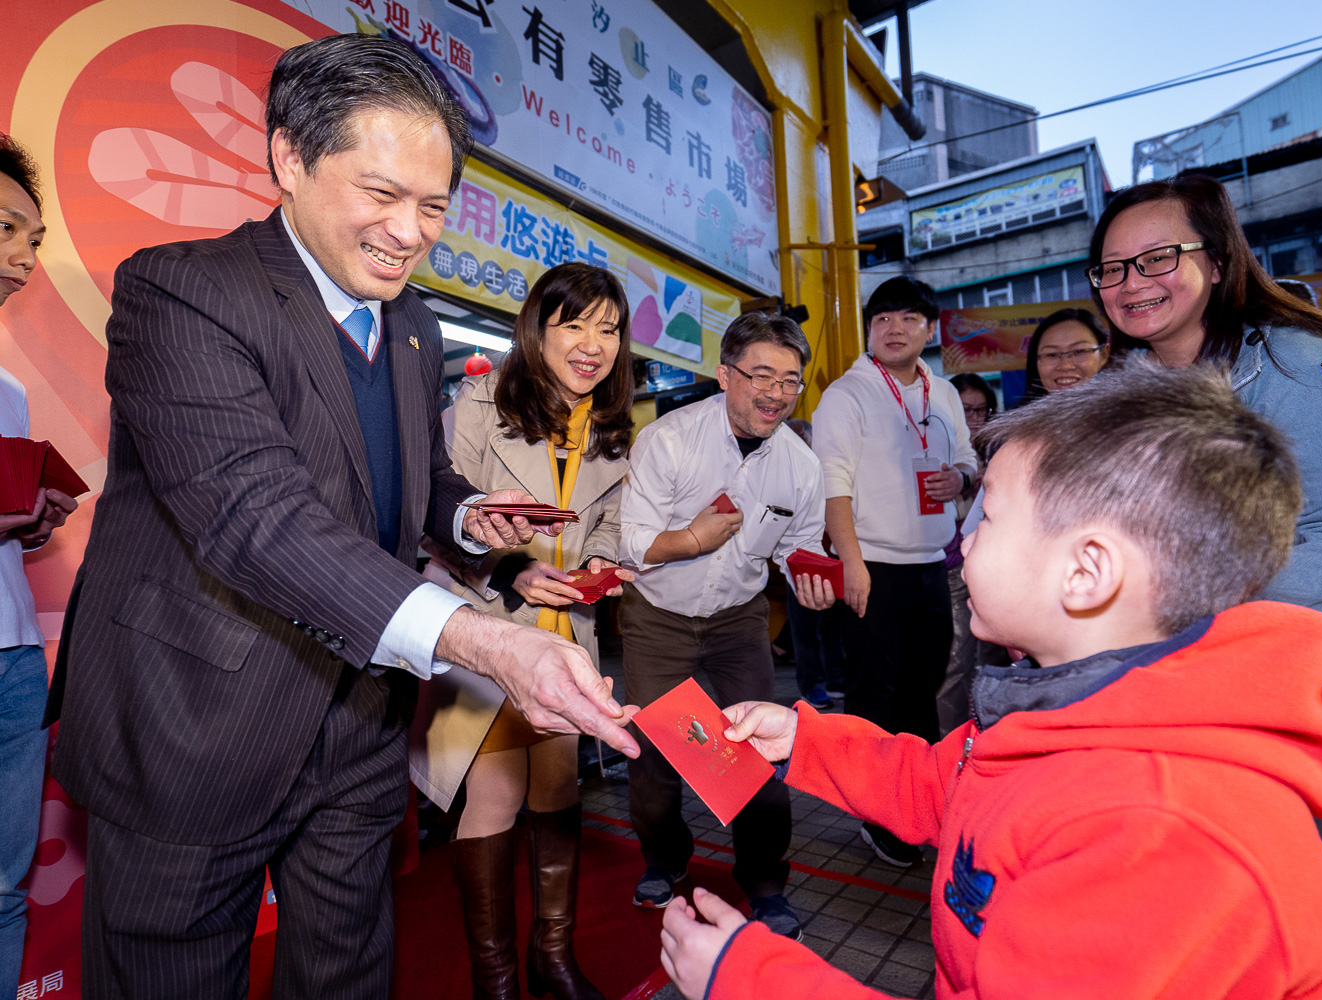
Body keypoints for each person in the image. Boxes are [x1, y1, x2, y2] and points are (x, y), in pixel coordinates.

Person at [45, 35, 637, 1000]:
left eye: (435, 207)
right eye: (381, 194)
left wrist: (468, 508)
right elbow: (254, 513)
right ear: (288, 158)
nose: (409, 232)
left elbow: (409, 479)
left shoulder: (412, 325)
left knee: (349, 975)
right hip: (196, 724)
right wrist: (486, 642)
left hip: (360, 723)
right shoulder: (183, 291)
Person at [658, 362, 1322, 1000]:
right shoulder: (1076, 700)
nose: (962, 537)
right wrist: (805, 740)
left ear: (1087, 572)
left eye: (988, 515)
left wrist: (750, 980)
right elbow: (944, 786)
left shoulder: (1154, 839)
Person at [1088, 172, 1322, 1000]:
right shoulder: (1137, 389)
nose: (1131, 284)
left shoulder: (1312, 367)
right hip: (1237, 703)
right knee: (1267, 931)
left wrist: (1173, 617)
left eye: (1157, 258)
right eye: (1111, 270)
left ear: (1218, 261)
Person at [409, 263, 635, 1000]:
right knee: (496, 795)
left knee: (559, 787)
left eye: (609, 329)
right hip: (488, 629)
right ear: (537, 329)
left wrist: (602, 558)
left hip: (567, 632)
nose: (592, 345)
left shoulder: (607, 424)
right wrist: (508, 574)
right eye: (575, 324)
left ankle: (555, 958)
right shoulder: (478, 403)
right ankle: (496, 979)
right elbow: (434, 514)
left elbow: (605, 521)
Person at [617, 311, 835, 940]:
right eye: (761, 375)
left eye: (790, 381)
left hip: (739, 621)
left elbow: (796, 544)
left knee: (752, 748)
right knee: (654, 749)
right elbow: (632, 542)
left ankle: (765, 882)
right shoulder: (669, 439)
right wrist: (688, 539)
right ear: (724, 375)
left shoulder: (801, 464)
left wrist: (808, 581)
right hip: (657, 615)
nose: (775, 393)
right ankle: (664, 856)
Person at [812, 275, 977, 868]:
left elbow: (967, 460)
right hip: (873, 568)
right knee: (873, 695)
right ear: (869, 330)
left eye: (908, 318)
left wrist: (960, 479)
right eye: (882, 319)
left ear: (929, 330)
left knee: (921, 693)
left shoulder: (945, 394)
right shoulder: (847, 394)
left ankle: (918, 801)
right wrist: (850, 564)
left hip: (933, 564)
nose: (894, 328)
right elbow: (834, 485)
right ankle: (875, 811)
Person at [0, 135, 78, 1000]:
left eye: (33, 235)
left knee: (2, 891)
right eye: (5, 228)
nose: (25, 253)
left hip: (17, 659)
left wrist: (29, 522)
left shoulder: (10, 390)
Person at [934, 374, 996, 736]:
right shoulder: (939, 449)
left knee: (994, 662)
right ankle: (952, 749)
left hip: (999, 571)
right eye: (963, 410)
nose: (972, 419)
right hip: (954, 569)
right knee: (954, 664)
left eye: (979, 410)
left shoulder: (1001, 444)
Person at [782, 417, 843, 710]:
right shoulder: (780, 474)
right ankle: (812, 684)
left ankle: (835, 679)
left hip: (832, 556)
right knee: (805, 627)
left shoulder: (824, 469)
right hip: (798, 560)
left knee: (833, 624)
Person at [1019, 307, 1110, 402]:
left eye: (1079, 351)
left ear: (1103, 355)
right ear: (1036, 361)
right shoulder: (1019, 416)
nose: (1065, 366)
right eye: (1052, 355)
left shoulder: (1122, 413)